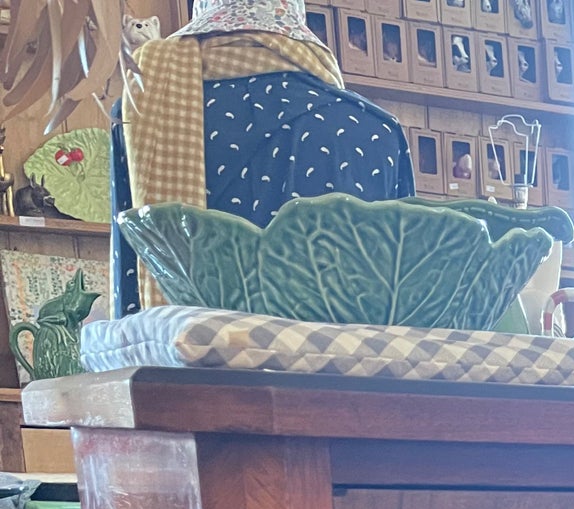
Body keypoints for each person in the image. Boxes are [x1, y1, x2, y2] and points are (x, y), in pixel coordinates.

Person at [112, 0, 414, 312]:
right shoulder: (379, 131)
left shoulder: (143, 110)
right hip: (337, 345)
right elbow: (400, 304)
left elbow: (132, 288)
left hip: (185, 342)